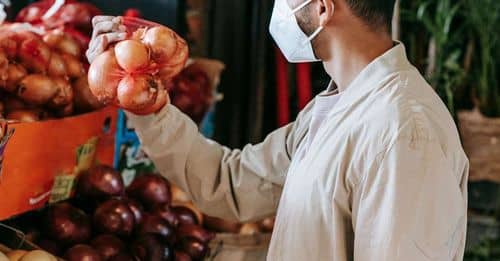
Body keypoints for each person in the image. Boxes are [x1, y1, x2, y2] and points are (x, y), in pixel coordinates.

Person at [87, 0, 469, 260]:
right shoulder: (337, 108)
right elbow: (231, 182)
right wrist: (144, 100)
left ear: (322, 7)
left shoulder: (404, 132)